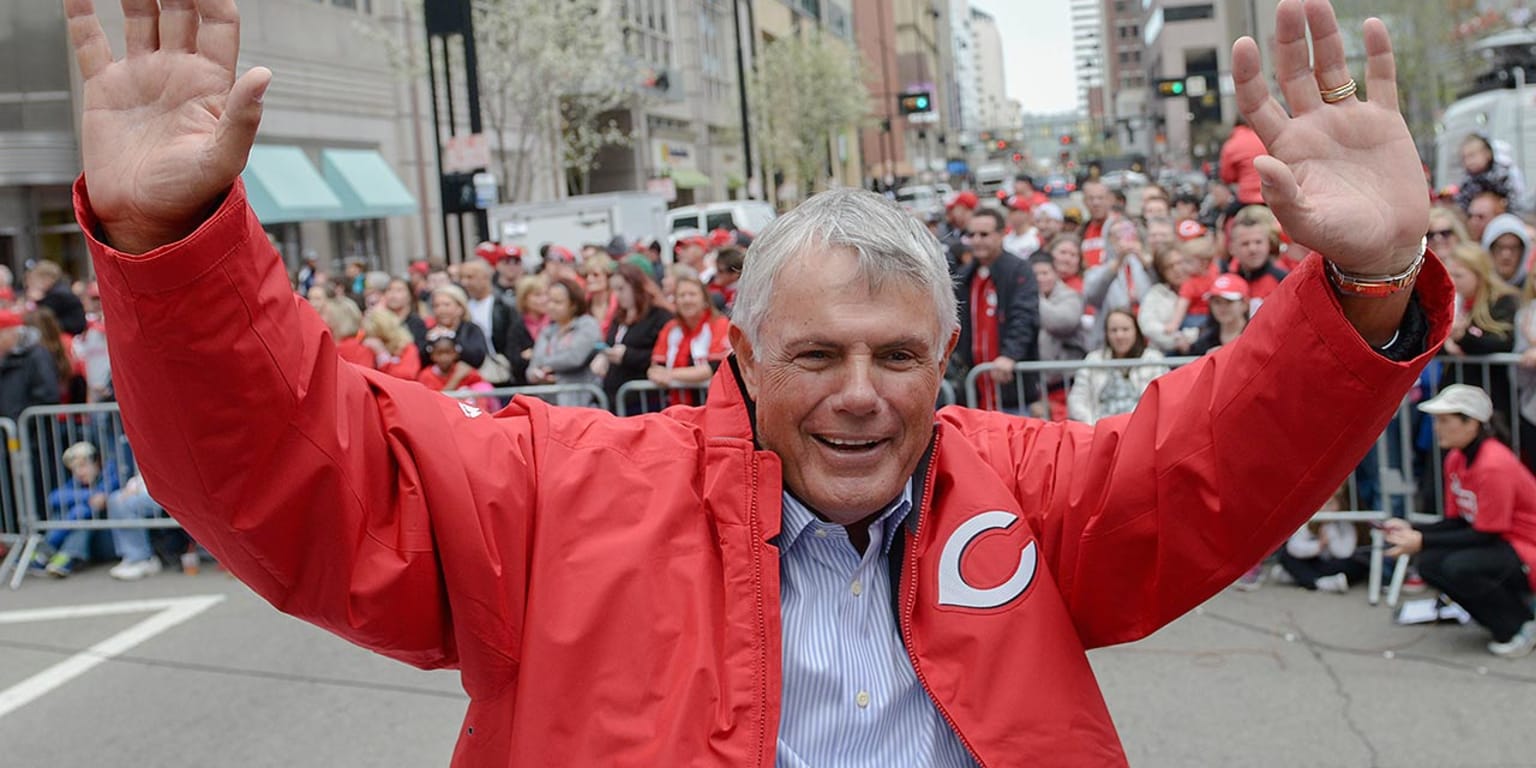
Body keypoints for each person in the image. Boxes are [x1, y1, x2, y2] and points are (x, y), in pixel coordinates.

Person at [69, 1, 1449, 762]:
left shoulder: (1025, 493)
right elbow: (303, 477)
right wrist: (168, 249)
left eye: (899, 356)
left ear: (946, 364)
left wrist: (1367, 285)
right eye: (819, 355)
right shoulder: (557, 496)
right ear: (737, 359)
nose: (861, 393)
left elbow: (1220, 463)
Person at [1385, 385, 1536, 657]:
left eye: (1445, 421)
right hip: (1502, 543)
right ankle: (1503, 616)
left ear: (1472, 424)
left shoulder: (1493, 465)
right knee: (1429, 564)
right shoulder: (1456, 458)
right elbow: (1457, 521)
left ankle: (1519, 624)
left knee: (1458, 567)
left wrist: (1422, 539)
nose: (1437, 428)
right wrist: (1415, 530)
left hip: (1526, 547)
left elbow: (1486, 532)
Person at [950, 207, 1040, 411]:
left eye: (984, 234)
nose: (977, 240)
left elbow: (1024, 316)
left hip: (1010, 386)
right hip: (975, 387)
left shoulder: (1018, 270)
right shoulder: (964, 276)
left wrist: (1010, 354)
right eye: (971, 235)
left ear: (1001, 234)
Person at [1441, 243, 1519, 421]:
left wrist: (1463, 338)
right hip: (1455, 395)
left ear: (1479, 274)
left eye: (1458, 275)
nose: (1452, 280)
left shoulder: (1503, 301)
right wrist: (1446, 346)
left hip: (1492, 397)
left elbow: (1503, 342)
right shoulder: (1450, 302)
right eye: (1449, 274)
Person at [1067, 309, 1170, 425]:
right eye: (1113, 330)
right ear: (1106, 334)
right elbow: (1077, 399)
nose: (1119, 335)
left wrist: (1135, 425)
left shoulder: (1153, 359)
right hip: (1099, 429)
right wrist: (1092, 425)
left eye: (1125, 329)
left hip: (1140, 429)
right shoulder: (1093, 360)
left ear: (1136, 331)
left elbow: (1159, 399)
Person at [594, 263, 673, 412]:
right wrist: (603, 356)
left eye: (621, 289)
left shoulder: (660, 316)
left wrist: (627, 355)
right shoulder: (619, 317)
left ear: (636, 286)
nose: (617, 295)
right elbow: (609, 343)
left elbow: (663, 356)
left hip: (644, 400)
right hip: (616, 398)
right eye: (614, 290)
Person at [648, 273, 729, 407]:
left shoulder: (719, 324)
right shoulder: (670, 328)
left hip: (712, 405)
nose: (687, 300)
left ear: (704, 300)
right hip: (675, 407)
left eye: (692, 294)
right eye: (682, 295)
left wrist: (670, 375)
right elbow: (656, 366)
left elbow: (712, 369)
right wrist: (653, 373)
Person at [1030, 252, 1090, 422]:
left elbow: (1062, 322)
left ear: (1055, 274)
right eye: (1035, 275)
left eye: (1045, 273)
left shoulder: (1071, 296)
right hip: (1039, 387)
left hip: (1067, 384)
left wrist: (1032, 296)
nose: (1041, 279)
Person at [1275, 484, 1367, 593]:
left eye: (1330, 504)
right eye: (1322, 503)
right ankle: (1319, 583)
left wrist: (1330, 531)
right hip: (1313, 560)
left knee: (1357, 565)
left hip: (1334, 564)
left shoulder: (1345, 524)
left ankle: (1299, 577)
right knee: (1285, 554)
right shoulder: (1309, 522)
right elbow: (1294, 548)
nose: (1325, 508)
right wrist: (1319, 545)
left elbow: (1344, 553)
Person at [527, 277, 602, 407]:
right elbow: (531, 369)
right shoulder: (547, 331)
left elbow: (574, 357)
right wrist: (537, 374)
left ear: (573, 305)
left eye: (558, 302)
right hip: (551, 404)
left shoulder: (587, 325)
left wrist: (544, 365)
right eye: (549, 300)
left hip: (581, 403)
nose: (551, 306)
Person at [105, 471, 168, 581]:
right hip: (147, 487)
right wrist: (133, 486)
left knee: (125, 503)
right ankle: (131, 557)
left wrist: (139, 489)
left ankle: (142, 559)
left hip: (166, 491)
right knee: (115, 499)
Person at [0, 309, 59, 421]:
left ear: (10, 333)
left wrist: (22, 423)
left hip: (32, 432)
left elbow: (47, 395)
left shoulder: (36, 356)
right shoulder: (5, 358)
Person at [1454, 134, 1526, 214]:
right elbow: (1462, 205)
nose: (1469, 162)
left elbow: (1516, 201)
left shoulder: (1503, 174)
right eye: (1464, 158)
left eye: (1472, 156)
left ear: (1487, 154)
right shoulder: (1467, 182)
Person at [1139, 247, 1193, 354]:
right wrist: (1175, 340)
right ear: (1162, 272)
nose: (1177, 269)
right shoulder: (1156, 293)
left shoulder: (1203, 288)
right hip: (1166, 355)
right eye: (1169, 266)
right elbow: (1148, 326)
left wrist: (1189, 338)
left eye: (1179, 263)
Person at [425, 284, 489, 370]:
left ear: (460, 308)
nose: (441, 310)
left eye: (446, 305)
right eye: (436, 306)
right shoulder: (430, 331)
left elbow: (477, 358)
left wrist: (452, 337)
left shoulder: (472, 329)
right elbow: (422, 361)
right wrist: (428, 343)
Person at [1189, 273, 1252, 356]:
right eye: (1217, 302)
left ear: (1245, 304)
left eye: (1229, 301)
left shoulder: (1255, 337)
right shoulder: (1205, 341)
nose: (1222, 307)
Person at [24, 260, 88, 335]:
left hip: (69, 333)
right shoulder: (57, 290)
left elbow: (44, 316)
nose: (35, 283)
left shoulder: (57, 294)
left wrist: (38, 300)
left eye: (37, 279)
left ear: (47, 278)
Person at [360, 307, 423, 381]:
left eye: (381, 338)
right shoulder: (370, 346)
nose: (377, 340)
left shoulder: (408, 348)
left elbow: (407, 375)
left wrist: (381, 354)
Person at [1219, 116, 1267, 207]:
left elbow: (1227, 177)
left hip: (1246, 198)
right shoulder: (1265, 139)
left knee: (1226, 218)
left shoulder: (1231, 145)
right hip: (1269, 196)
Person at [1478, 212, 1530, 288]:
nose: (1506, 255)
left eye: (1514, 248)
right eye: (1499, 247)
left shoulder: (1532, 289)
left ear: (1523, 251)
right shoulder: (1475, 288)